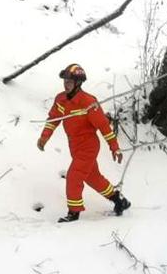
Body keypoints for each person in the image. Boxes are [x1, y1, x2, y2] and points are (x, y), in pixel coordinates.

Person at [36, 63, 131, 223]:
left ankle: (73, 213)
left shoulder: (88, 102)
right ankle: (119, 200)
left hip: (88, 147)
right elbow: (53, 119)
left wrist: (115, 148)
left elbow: (103, 126)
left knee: (74, 176)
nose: (66, 84)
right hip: (75, 146)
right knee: (93, 178)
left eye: (70, 82)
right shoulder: (61, 99)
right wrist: (44, 137)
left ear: (78, 83)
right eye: (65, 81)